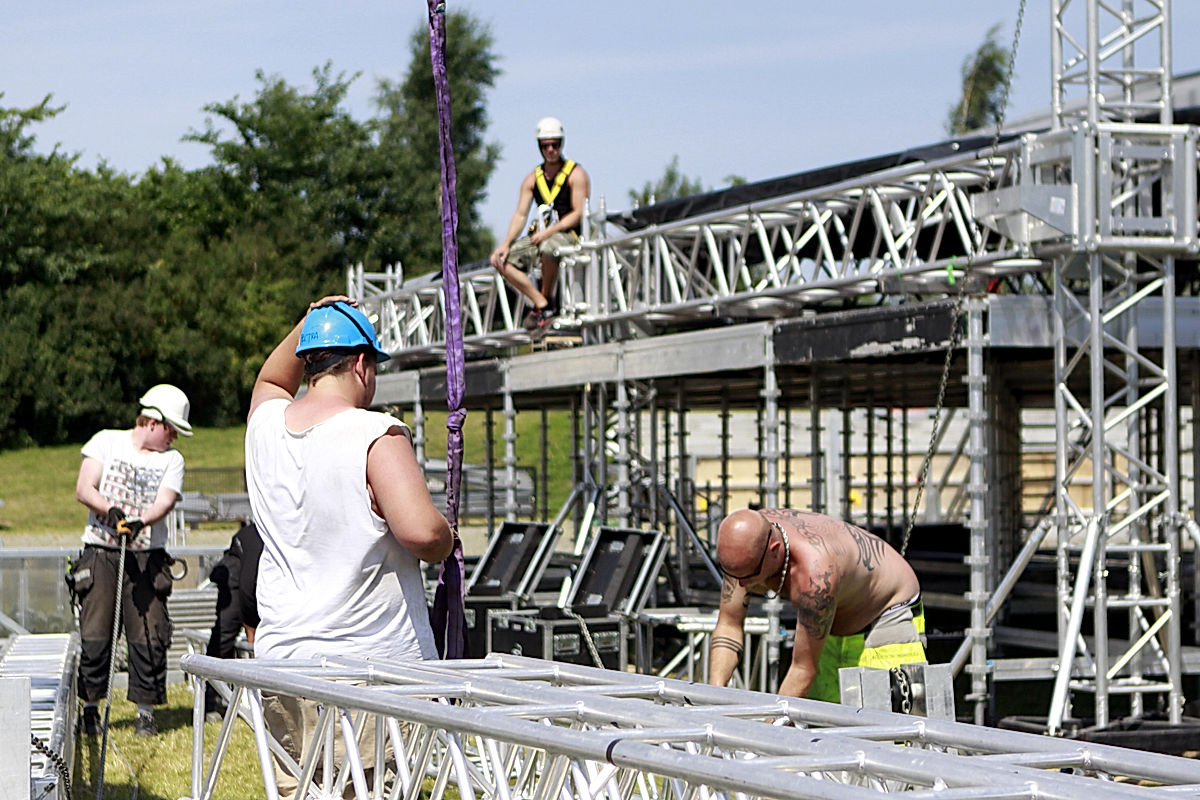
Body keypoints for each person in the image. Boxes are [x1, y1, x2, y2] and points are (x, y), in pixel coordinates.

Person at [245, 296, 452, 796]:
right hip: (367, 676)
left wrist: (311, 319)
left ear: (311, 362)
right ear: (363, 364)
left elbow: (271, 380)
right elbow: (423, 533)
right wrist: (449, 535)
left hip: (283, 669)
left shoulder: (266, 426)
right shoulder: (373, 432)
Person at [72, 383, 192, 738]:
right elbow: (84, 488)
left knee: (149, 634)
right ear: (153, 421)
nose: (174, 437)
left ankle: (145, 713)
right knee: (96, 633)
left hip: (147, 558)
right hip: (101, 553)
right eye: (171, 429)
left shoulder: (172, 460)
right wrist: (109, 510)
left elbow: (166, 500)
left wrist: (143, 519)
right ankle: (90, 710)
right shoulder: (105, 441)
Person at [708, 508, 926, 703]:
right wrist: (713, 699)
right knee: (822, 730)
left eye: (749, 576)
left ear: (774, 550)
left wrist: (767, 733)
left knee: (885, 735)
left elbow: (802, 670)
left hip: (884, 616)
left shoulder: (816, 575)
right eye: (733, 575)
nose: (741, 584)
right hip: (833, 625)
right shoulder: (746, 543)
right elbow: (728, 625)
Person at [489, 116, 591, 332]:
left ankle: (547, 299)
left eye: (555, 144)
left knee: (548, 246)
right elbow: (520, 214)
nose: (551, 150)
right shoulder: (532, 179)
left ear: (561, 144)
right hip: (541, 235)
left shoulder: (576, 174)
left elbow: (578, 213)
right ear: (540, 147)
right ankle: (542, 304)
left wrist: (549, 232)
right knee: (500, 260)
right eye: (546, 146)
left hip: (567, 235)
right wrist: (506, 243)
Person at [202, 520, 262, 721]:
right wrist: (251, 633)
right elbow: (247, 590)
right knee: (224, 635)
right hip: (238, 569)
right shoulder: (257, 539)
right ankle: (209, 701)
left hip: (255, 571)